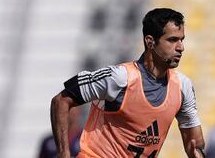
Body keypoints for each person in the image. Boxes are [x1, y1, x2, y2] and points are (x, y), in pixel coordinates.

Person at [51, 8, 205, 158]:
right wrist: (64, 153)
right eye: (172, 40)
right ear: (150, 42)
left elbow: (195, 145)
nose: (181, 47)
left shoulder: (182, 87)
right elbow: (61, 101)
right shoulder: (119, 77)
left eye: (181, 39)